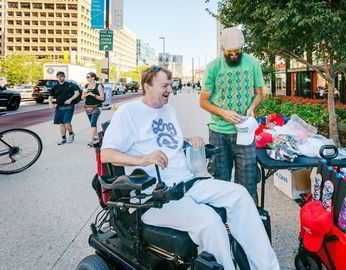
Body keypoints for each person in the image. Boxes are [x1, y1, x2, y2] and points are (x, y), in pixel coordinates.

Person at [101, 66, 279, 270]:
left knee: (240, 194)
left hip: (187, 183)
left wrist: (189, 141)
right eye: (164, 85)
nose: (170, 89)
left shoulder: (168, 109)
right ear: (147, 86)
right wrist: (144, 159)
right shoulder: (128, 112)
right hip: (155, 198)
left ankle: (267, 267)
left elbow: (171, 141)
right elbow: (108, 154)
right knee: (210, 221)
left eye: (170, 84)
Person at [200, 27, 264, 201]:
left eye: (237, 52)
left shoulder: (253, 64)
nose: (234, 55)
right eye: (230, 52)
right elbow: (203, 101)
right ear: (223, 49)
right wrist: (223, 113)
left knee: (248, 183)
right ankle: (223, 223)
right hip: (218, 132)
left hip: (244, 132)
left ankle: (249, 222)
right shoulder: (213, 67)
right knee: (221, 182)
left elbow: (259, 93)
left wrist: (252, 108)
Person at [48, 71, 80, 145]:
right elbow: (51, 96)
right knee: (61, 124)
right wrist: (50, 102)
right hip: (59, 108)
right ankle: (63, 138)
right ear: (57, 77)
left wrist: (70, 99)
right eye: (58, 76)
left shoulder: (70, 85)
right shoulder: (55, 87)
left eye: (61, 76)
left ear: (64, 77)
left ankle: (71, 134)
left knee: (66, 123)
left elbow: (77, 93)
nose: (60, 77)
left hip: (69, 107)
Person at [82, 72, 105, 147]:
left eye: (88, 77)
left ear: (93, 77)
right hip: (87, 107)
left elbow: (102, 98)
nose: (87, 78)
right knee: (93, 124)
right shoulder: (86, 86)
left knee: (93, 123)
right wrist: (85, 94)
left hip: (97, 106)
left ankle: (91, 140)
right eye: (86, 77)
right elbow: (82, 98)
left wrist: (92, 94)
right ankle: (96, 137)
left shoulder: (98, 86)